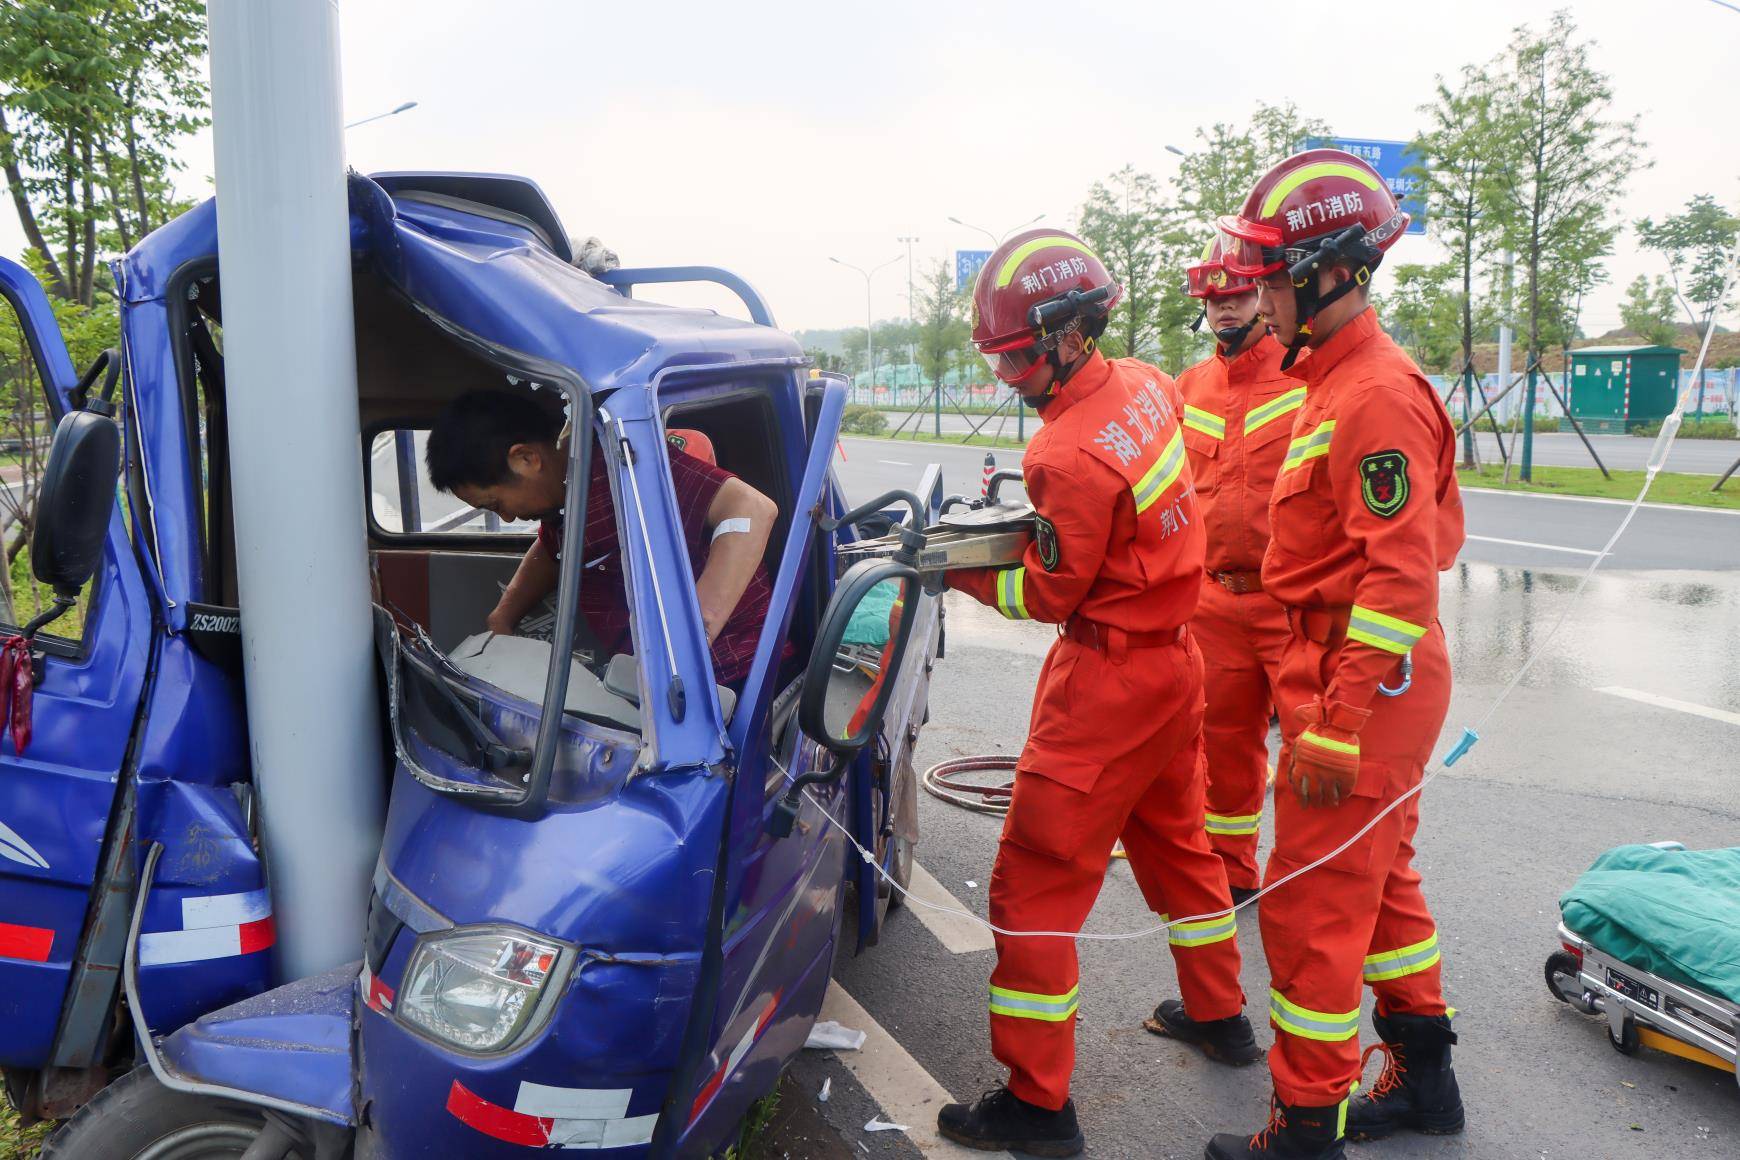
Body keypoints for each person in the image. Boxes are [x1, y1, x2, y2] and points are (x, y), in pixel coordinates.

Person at [936, 230, 1258, 1158]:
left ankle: (1039, 1107)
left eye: (1014, 356)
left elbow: (1044, 591)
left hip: (1107, 681)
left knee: (1033, 886)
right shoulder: (1151, 384)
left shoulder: (1065, 454)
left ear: (1069, 334)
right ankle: (1220, 1015)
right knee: (1181, 847)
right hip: (1177, 660)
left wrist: (955, 570)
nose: (1007, 376)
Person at [1202, 150, 1467, 1160]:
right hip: (1345, 666)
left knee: (1312, 903)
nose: (1256, 294)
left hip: (1363, 677)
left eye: (1270, 274)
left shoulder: (1373, 396)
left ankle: (1306, 1125)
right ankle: (1425, 1078)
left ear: (1326, 271)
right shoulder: (1333, 377)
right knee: (1385, 881)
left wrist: (1340, 720)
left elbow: (1401, 580)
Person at [424, 389, 778, 686]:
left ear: (526, 458)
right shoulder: (564, 499)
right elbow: (553, 550)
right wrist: (502, 618)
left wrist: (687, 643)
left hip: (731, 677)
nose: (507, 517)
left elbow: (752, 508)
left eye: (496, 503)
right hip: (646, 683)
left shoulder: (630, 471)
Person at [1170, 234, 1299, 908]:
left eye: (1239, 294)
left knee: (1312, 751)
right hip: (1214, 602)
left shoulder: (1304, 374)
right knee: (1223, 752)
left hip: (1289, 604)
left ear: (1265, 293)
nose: (1225, 310)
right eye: (1215, 299)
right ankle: (1232, 872)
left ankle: (1310, 877)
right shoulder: (1189, 387)